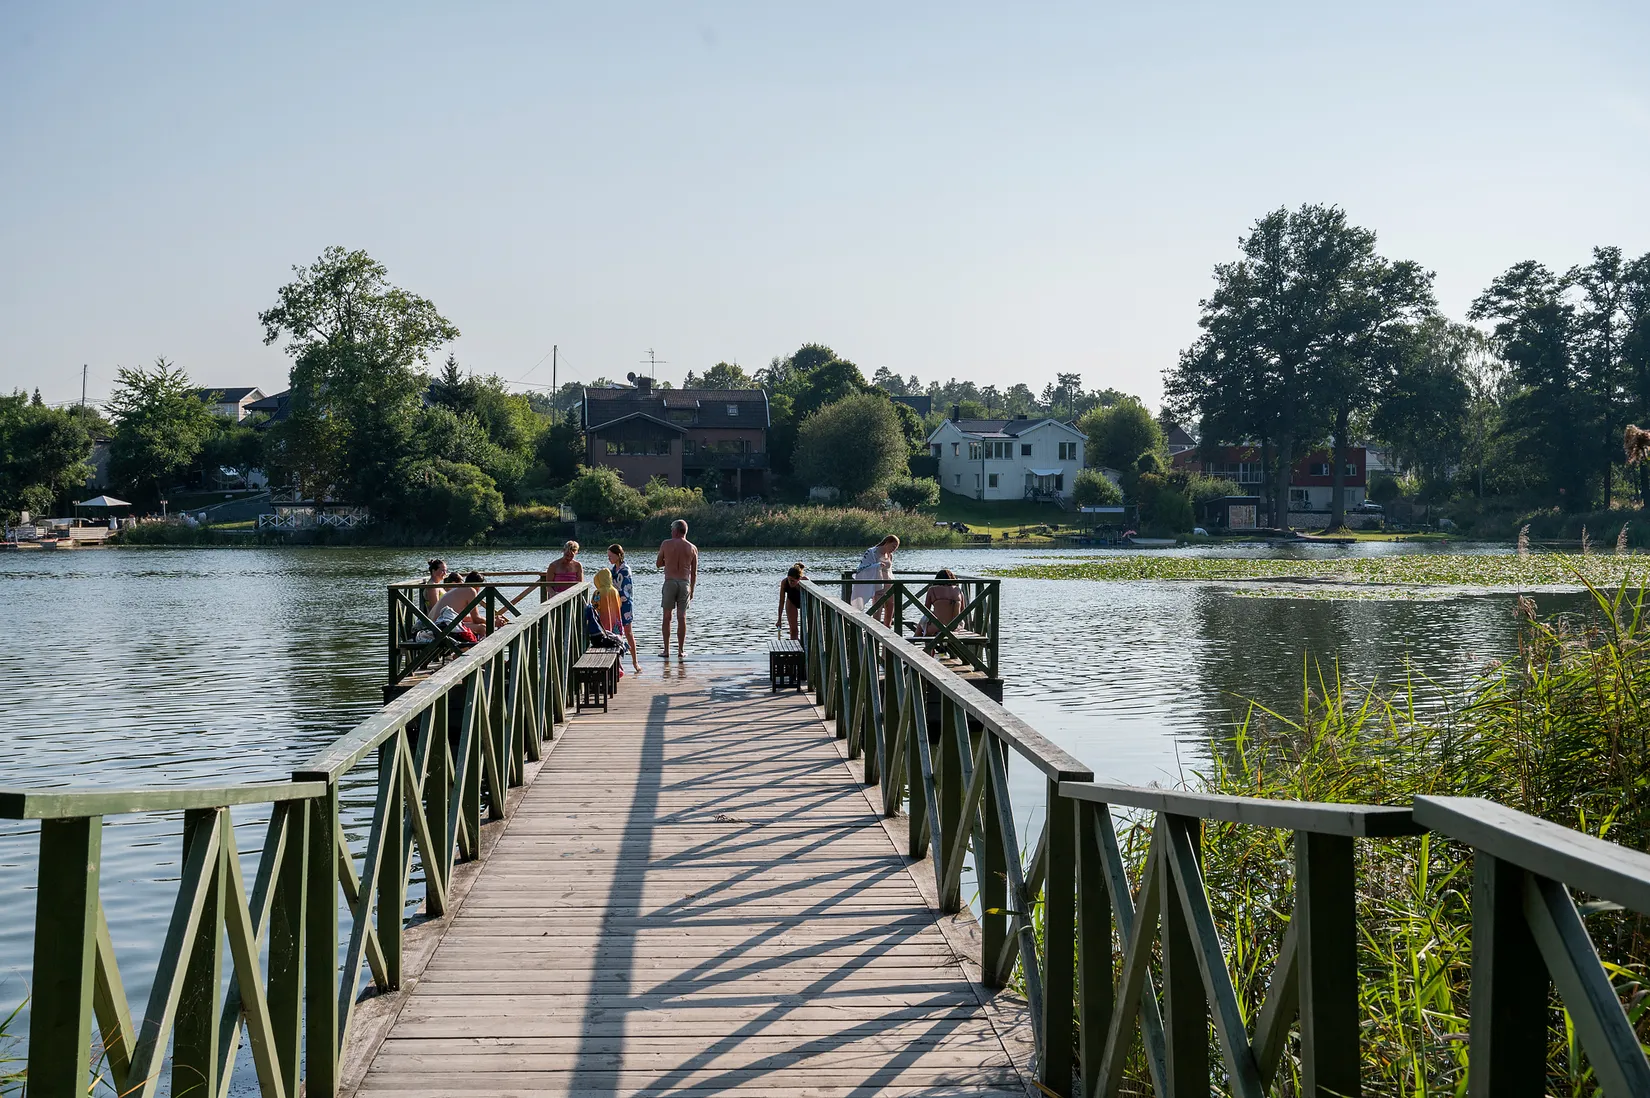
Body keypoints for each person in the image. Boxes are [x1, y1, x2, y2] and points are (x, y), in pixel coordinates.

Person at [655, 518, 698, 659]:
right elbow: (694, 572)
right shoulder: (692, 548)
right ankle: (680, 650)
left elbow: (658, 563)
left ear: (675, 531)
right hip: (684, 583)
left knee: (667, 617)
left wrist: (668, 561)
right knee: (682, 617)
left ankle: (666, 650)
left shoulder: (666, 544)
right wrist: (692, 590)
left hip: (670, 582)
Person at [607, 544, 641, 673]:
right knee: (615, 633)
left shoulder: (625, 569)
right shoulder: (612, 570)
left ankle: (635, 662)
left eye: (611, 556)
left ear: (618, 555)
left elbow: (624, 591)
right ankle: (617, 664)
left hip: (625, 604)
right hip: (614, 604)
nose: (609, 558)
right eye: (608, 556)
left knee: (628, 632)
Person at [851, 535, 899, 626]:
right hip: (878, 587)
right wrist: (877, 566)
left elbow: (890, 571)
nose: (894, 549)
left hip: (890, 586)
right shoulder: (872, 552)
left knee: (890, 611)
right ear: (887, 542)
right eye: (893, 546)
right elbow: (861, 568)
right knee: (877, 612)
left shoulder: (890, 555)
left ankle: (887, 632)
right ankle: (875, 635)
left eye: (896, 548)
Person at [920, 569, 964, 636]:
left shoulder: (932, 589)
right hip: (955, 627)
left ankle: (914, 642)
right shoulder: (958, 590)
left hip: (937, 627)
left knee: (922, 623)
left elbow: (926, 610)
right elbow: (963, 610)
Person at [775, 563, 806, 640]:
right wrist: (779, 619)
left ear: (798, 579)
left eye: (792, 581)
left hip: (805, 602)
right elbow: (781, 601)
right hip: (792, 601)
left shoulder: (805, 581)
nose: (790, 582)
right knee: (793, 630)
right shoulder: (784, 583)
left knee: (807, 628)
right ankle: (795, 648)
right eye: (789, 580)